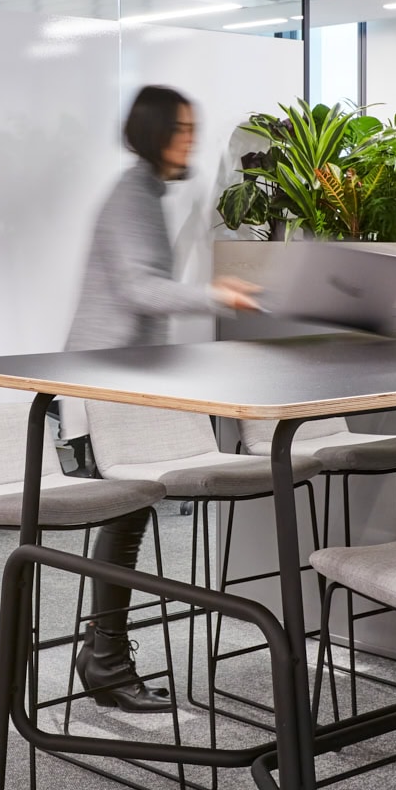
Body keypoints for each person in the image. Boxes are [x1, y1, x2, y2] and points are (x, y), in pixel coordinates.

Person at [63, 84, 261, 710]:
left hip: (122, 378)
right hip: (107, 381)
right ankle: (106, 661)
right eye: (181, 129)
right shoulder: (132, 196)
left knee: (128, 517)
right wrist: (215, 295)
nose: (191, 140)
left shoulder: (143, 193)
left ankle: (104, 656)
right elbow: (139, 291)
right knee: (126, 516)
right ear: (154, 133)